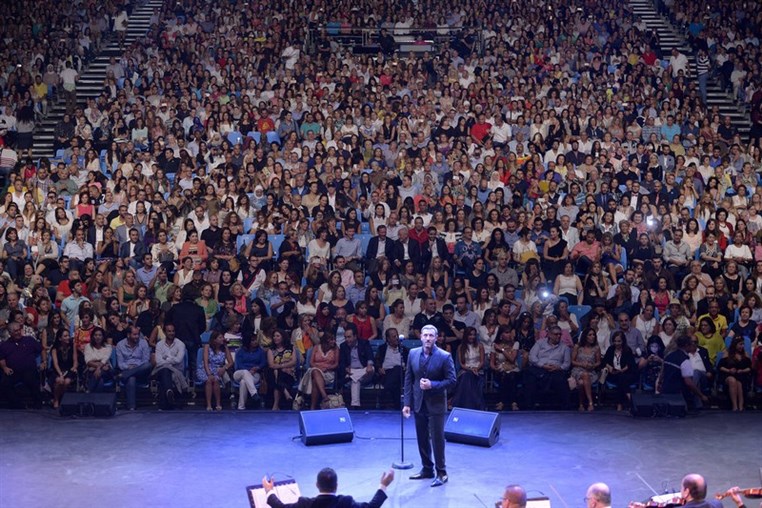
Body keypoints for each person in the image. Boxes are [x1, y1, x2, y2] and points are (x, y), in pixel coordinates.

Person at [402, 324, 456, 487]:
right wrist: (407, 404)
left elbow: (452, 381)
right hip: (419, 403)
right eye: (425, 335)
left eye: (431, 336)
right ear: (420, 337)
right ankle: (427, 469)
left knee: (437, 439)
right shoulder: (413, 353)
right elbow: (408, 379)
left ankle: (442, 472)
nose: (427, 338)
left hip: (436, 404)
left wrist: (433, 384)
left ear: (436, 338)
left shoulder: (444, 356)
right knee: (422, 438)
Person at [263, 467, 394, 508]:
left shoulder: (305, 503)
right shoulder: (346, 502)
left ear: (316, 485)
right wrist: (383, 485)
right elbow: (371, 507)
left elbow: (280, 507)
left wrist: (269, 491)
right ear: (336, 486)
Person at [659, 336, 709, 410]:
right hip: (678, 394)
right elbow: (689, 382)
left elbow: (662, 373)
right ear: (686, 346)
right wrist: (701, 395)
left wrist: (660, 383)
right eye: (690, 344)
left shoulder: (669, 356)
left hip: (665, 391)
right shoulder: (684, 360)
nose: (692, 346)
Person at [115, 325, 152, 410]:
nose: (137, 336)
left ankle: (124, 375)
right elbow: (120, 364)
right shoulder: (120, 345)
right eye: (134, 334)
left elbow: (145, 360)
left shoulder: (143, 343)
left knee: (148, 365)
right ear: (128, 335)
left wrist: (136, 368)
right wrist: (129, 368)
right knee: (131, 378)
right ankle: (131, 406)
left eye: (138, 334)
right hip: (127, 370)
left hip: (141, 371)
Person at [152, 323, 187, 410]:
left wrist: (166, 358)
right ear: (164, 332)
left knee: (166, 372)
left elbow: (179, 360)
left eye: (173, 331)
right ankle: (169, 393)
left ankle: (164, 403)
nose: (171, 333)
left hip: (176, 370)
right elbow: (158, 362)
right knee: (165, 370)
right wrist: (171, 360)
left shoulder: (180, 344)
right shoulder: (159, 344)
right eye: (169, 331)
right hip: (160, 370)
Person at [338, 325, 374, 410]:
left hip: (365, 371)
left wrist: (369, 365)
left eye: (349, 337)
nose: (347, 339)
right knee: (356, 381)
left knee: (372, 369)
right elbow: (342, 362)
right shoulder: (343, 346)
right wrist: (346, 368)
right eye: (345, 337)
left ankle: (353, 377)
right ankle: (355, 405)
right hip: (352, 371)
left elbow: (370, 356)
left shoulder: (364, 343)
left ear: (355, 336)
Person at [233, 334, 267, 410]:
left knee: (243, 382)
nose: (255, 342)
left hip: (255, 374)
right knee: (245, 372)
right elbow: (238, 364)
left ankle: (241, 406)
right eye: (252, 340)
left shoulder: (260, 351)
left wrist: (257, 368)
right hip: (239, 373)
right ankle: (254, 393)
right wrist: (249, 371)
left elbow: (263, 363)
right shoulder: (240, 351)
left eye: (256, 340)